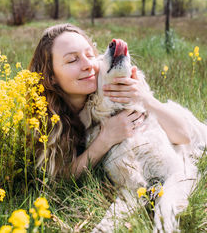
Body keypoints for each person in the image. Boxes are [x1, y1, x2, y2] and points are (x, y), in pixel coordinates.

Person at [28, 23, 190, 179]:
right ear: (51, 77)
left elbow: (184, 136)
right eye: (72, 60)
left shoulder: (107, 83)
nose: (88, 65)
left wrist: (144, 98)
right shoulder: (43, 116)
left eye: (90, 54)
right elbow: (59, 178)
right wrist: (106, 139)